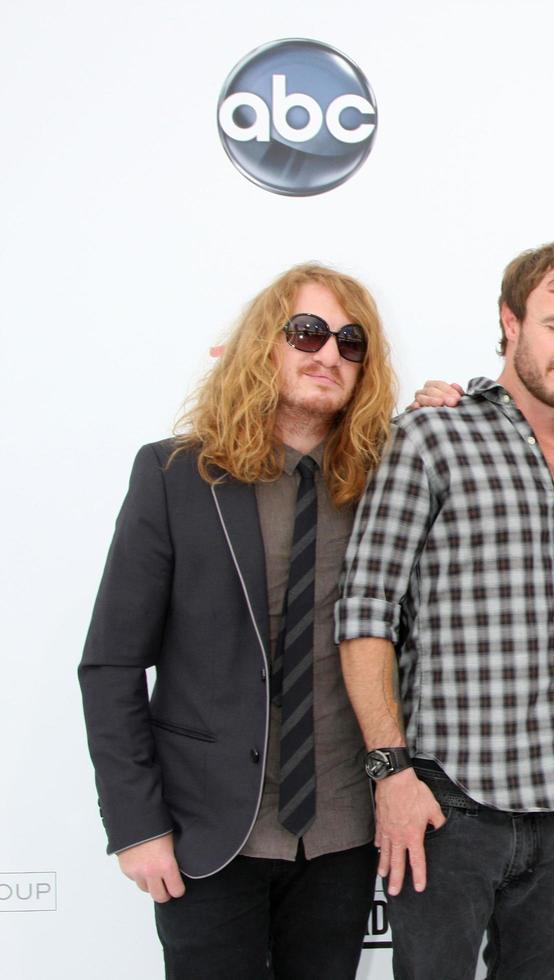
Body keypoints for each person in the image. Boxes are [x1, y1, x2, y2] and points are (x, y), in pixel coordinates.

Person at [78, 263, 398, 978]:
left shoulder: (384, 482)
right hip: (209, 829)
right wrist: (136, 825)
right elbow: (111, 665)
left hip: (342, 833)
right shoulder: (175, 477)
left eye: (351, 343)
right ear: (264, 344)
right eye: (308, 332)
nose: (329, 355)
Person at [336, 241, 554, 980]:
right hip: (448, 804)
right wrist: (391, 774)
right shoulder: (433, 435)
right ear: (510, 321)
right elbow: (364, 612)